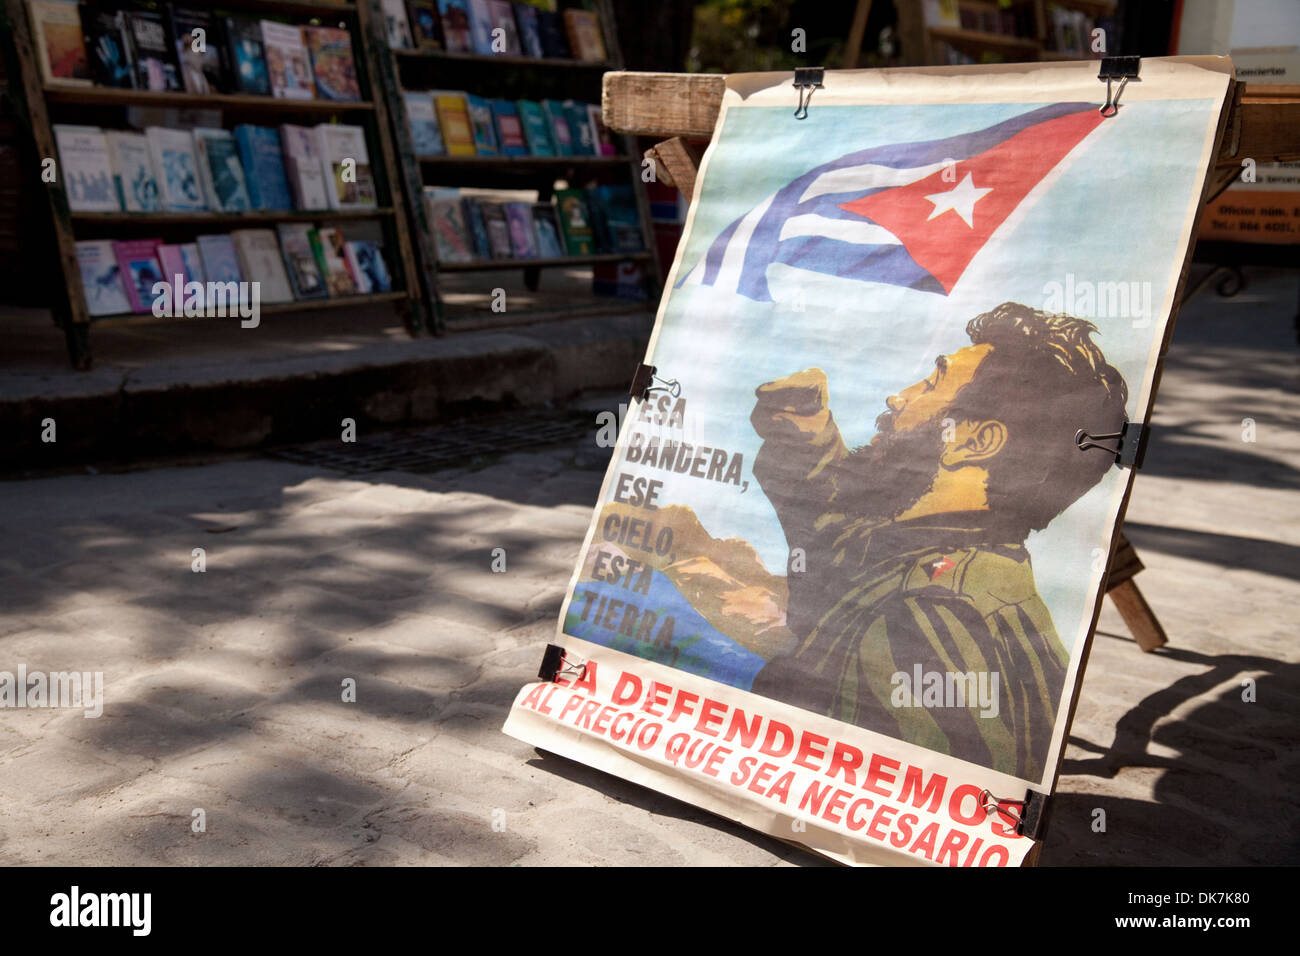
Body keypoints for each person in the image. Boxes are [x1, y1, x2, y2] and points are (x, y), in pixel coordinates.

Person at [748, 301, 1129, 780]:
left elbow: (941, 797)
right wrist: (805, 434)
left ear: (975, 442)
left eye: (931, 383)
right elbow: (841, 540)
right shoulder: (944, 555)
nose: (897, 397)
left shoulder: (937, 613)